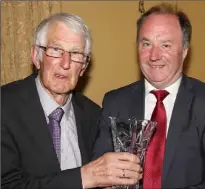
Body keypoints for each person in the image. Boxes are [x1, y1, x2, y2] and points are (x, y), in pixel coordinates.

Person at [93, 3, 205, 189]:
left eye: (165, 45)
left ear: (184, 51)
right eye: (146, 44)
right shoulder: (115, 101)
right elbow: (99, 173)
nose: (154, 55)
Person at [1, 13, 142, 189]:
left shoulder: (95, 114)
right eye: (56, 50)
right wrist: (85, 177)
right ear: (36, 57)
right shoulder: (5, 105)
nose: (65, 63)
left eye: (76, 53)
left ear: (83, 67)